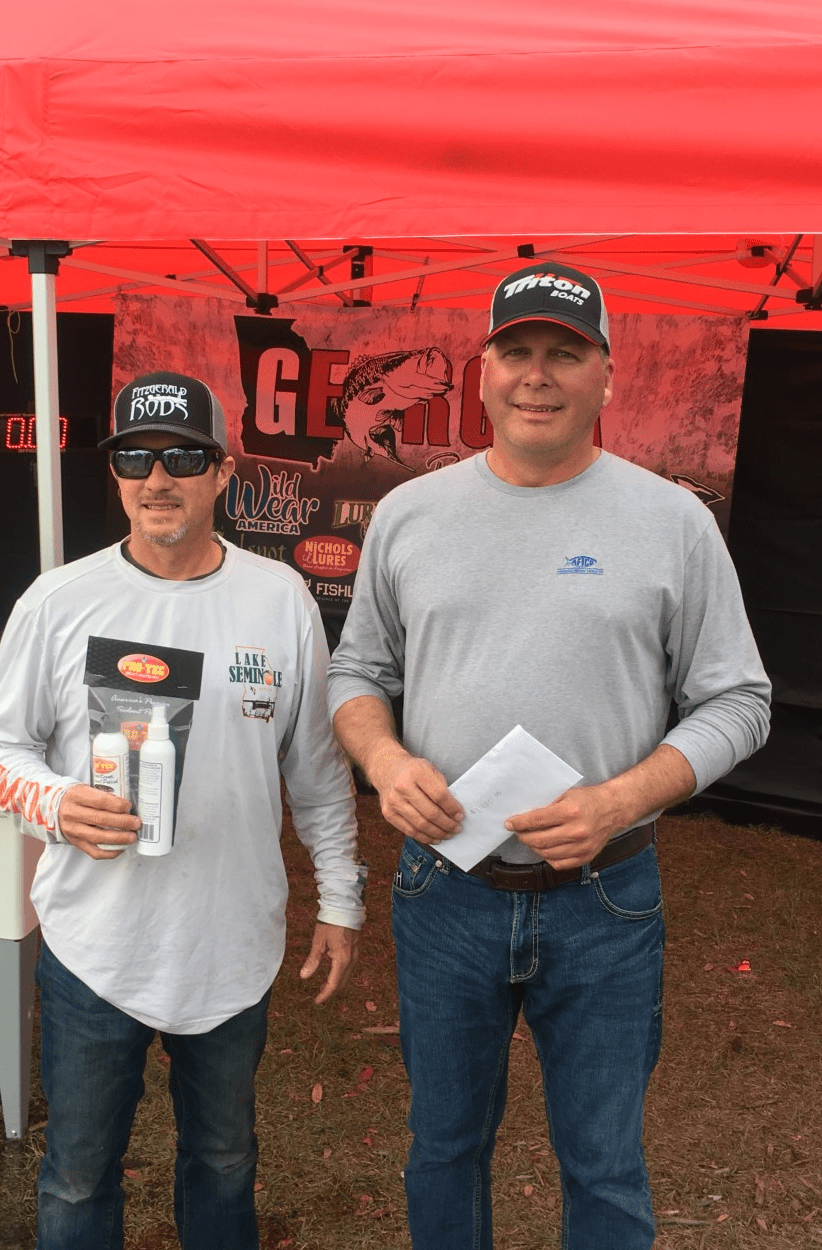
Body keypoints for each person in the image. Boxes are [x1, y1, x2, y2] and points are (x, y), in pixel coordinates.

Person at [327, 264, 770, 1250]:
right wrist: (385, 762)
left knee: (604, 1163)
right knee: (444, 1147)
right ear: (481, 373)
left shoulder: (673, 524)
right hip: (446, 888)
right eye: (516, 351)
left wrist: (620, 799)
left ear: (607, 375)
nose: (538, 374)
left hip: (605, 898)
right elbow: (356, 671)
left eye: (565, 353)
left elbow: (739, 700)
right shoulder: (411, 513)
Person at [0, 370, 365, 1250]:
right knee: (78, 1176)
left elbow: (316, 768)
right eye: (135, 458)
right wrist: (55, 803)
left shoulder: (280, 600)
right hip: (94, 945)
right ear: (113, 472)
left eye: (183, 457)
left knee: (223, 1160)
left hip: (230, 944)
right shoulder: (58, 601)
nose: (157, 478)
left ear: (222, 471)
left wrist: (341, 897)